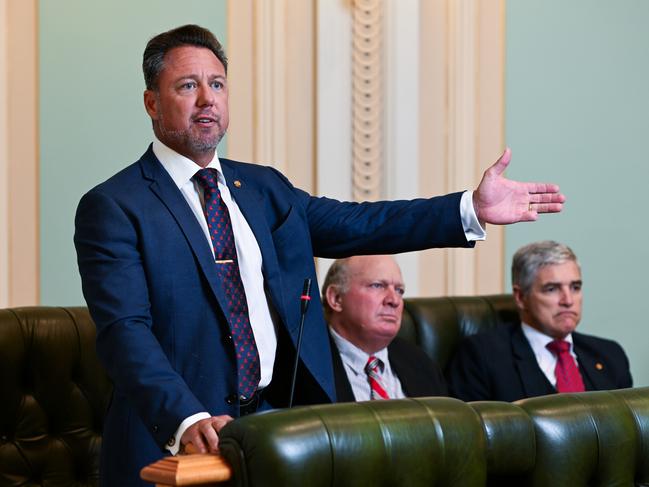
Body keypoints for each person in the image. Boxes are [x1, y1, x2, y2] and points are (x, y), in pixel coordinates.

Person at [73, 24, 565, 485]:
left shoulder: (264, 189)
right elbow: (124, 334)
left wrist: (467, 208)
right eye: (187, 86)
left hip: (276, 429)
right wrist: (187, 418)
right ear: (151, 102)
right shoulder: (115, 206)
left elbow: (361, 223)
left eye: (218, 85)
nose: (207, 99)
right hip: (175, 441)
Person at [446, 241, 632, 402]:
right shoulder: (482, 356)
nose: (568, 300)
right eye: (552, 289)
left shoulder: (610, 355)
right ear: (520, 297)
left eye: (575, 287)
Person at [322, 255, 447, 401]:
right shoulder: (303, 369)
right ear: (336, 298)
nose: (394, 300)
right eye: (377, 285)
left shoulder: (421, 364)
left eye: (399, 290)